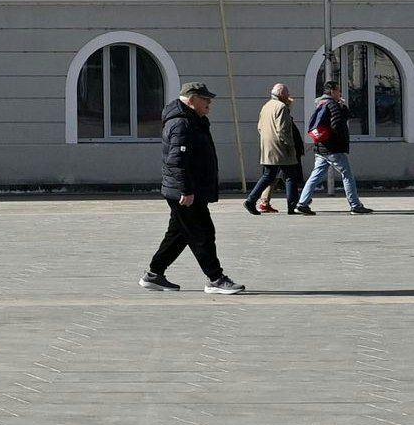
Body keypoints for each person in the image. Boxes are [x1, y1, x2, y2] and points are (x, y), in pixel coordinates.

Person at [142, 81, 246, 294]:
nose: (209, 103)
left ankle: (154, 274)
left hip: (186, 189)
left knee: (179, 233)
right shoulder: (182, 123)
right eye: (205, 99)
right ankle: (216, 279)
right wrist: (186, 190)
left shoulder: (193, 120)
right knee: (203, 233)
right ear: (191, 99)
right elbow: (176, 160)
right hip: (185, 191)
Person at [291, 84, 372, 215]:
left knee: (315, 176)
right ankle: (355, 205)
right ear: (332, 91)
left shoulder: (320, 103)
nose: (340, 93)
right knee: (347, 175)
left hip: (321, 148)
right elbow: (337, 124)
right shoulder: (332, 105)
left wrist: (342, 107)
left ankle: (302, 203)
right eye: (338, 90)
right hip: (333, 149)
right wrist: (339, 140)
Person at [243, 83, 299, 214]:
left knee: (268, 176)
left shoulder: (266, 106)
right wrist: (291, 145)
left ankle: (251, 200)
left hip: (268, 147)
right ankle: (292, 206)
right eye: (287, 93)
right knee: (291, 176)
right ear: (281, 94)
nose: (288, 95)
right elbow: (283, 130)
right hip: (281, 149)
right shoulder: (282, 107)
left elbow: (260, 127)